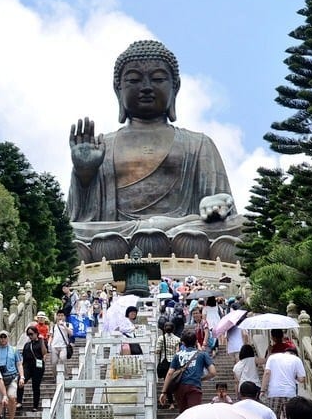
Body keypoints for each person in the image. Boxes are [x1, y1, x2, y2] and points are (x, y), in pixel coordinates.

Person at [67, 40, 243, 259]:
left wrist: (215, 204)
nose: (147, 87)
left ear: (175, 87)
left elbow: (221, 212)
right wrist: (85, 174)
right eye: (133, 80)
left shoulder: (198, 143)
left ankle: (166, 233)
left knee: (244, 225)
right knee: (68, 234)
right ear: (117, 88)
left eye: (158, 79)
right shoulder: (103, 145)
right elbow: (81, 219)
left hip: (184, 230)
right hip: (116, 234)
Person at [158, 331, 215, 412]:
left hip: (179, 388)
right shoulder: (202, 354)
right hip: (194, 386)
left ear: (183, 343)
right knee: (194, 414)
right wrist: (201, 379)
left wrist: (164, 392)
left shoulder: (177, 355)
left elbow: (170, 373)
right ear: (196, 341)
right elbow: (213, 372)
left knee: (183, 414)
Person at [263, 346, 306, 419]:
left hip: (274, 393)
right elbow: (302, 379)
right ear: (295, 354)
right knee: (290, 418)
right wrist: (293, 376)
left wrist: (262, 390)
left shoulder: (272, 357)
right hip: (290, 393)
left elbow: (267, 373)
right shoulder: (296, 359)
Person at [21, 325, 48, 412]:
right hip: (27, 366)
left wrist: (42, 341)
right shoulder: (27, 344)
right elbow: (23, 357)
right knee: (21, 381)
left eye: (31, 334)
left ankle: (35, 406)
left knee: (35, 386)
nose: (30, 336)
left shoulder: (40, 342)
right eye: (28, 334)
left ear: (36, 333)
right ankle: (19, 401)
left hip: (38, 367)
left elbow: (44, 353)